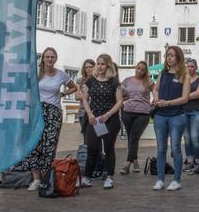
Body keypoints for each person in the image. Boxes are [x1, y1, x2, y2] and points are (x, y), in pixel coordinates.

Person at [19, 48, 77, 191]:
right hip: (37, 111)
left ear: (55, 58)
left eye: (52, 57)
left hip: (53, 112)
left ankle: (46, 178)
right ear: (43, 58)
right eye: (47, 57)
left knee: (49, 146)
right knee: (33, 145)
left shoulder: (61, 75)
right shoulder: (36, 74)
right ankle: (36, 179)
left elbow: (74, 87)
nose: (50, 59)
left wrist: (63, 93)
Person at [152, 46, 192, 191]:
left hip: (176, 115)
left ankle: (176, 179)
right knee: (161, 148)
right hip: (160, 115)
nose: (169, 58)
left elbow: (185, 98)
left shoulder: (184, 76)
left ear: (178, 58)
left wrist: (167, 103)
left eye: (172, 56)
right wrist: (156, 99)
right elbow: (155, 89)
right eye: (167, 55)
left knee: (175, 148)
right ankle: (160, 179)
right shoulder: (163, 74)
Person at [81, 54, 124, 189]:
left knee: (109, 147)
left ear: (108, 66)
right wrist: (89, 114)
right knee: (92, 147)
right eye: (98, 63)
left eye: (103, 64)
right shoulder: (91, 81)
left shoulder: (114, 82)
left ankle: (109, 177)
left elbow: (120, 101)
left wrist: (109, 113)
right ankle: (87, 177)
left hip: (110, 118)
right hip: (95, 119)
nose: (99, 66)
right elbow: (84, 98)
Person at [119, 61, 153, 175]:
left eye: (142, 69)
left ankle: (127, 164)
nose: (140, 71)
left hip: (142, 113)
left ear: (145, 71)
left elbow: (157, 92)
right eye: (138, 68)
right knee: (131, 138)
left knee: (134, 137)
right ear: (135, 68)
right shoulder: (127, 80)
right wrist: (120, 102)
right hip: (127, 112)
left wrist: (153, 103)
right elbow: (119, 93)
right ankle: (136, 162)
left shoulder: (148, 81)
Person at [184, 58, 199, 169]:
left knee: (194, 137)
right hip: (184, 111)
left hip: (196, 112)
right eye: (188, 66)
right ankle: (190, 162)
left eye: (192, 66)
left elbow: (198, 94)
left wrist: (183, 97)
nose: (190, 68)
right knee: (187, 137)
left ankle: (198, 161)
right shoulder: (183, 79)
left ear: (196, 67)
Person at [75, 58, 96, 143]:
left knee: (97, 135)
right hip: (83, 112)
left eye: (90, 67)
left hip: (96, 111)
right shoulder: (81, 80)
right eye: (86, 67)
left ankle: (98, 155)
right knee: (86, 136)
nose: (88, 69)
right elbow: (76, 96)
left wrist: (83, 95)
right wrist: (86, 97)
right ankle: (87, 155)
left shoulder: (98, 79)